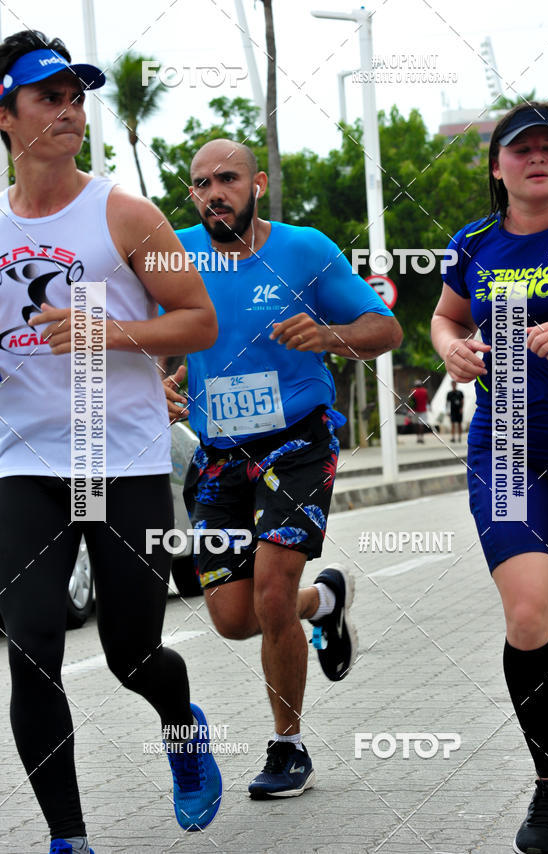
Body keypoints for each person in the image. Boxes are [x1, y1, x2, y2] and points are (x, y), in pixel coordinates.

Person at [0, 30, 222, 854]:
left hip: (119, 459)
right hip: (23, 463)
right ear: (5, 115)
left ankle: (182, 726)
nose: (68, 111)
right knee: (31, 650)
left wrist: (109, 332)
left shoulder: (125, 214)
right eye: (47, 97)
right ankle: (70, 838)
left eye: (75, 98)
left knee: (133, 654)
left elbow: (198, 320)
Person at [161, 137, 403, 799]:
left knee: (270, 594)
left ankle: (288, 746)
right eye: (202, 184)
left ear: (258, 184)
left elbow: (386, 330)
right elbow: (149, 337)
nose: (215, 193)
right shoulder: (174, 255)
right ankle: (323, 602)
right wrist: (158, 378)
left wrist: (327, 335)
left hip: (297, 443)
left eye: (228, 179)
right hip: (218, 454)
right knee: (234, 617)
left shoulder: (305, 250)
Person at [431, 100, 548, 854]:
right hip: (509, 446)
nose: (536, 158)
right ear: (497, 167)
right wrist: (450, 346)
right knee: (529, 616)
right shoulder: (474, 243)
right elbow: (446, 316)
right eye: (521, 149)